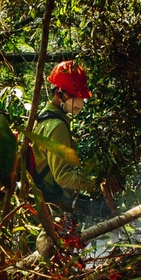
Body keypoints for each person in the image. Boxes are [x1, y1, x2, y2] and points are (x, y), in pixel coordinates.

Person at [33, 60, 104, 211]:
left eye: (81, 96)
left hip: (43, 200)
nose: (79, 101)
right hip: (52, 204)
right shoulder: (56, 126)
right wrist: (96, 183)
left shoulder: (43, 117)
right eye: (73, 95)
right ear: (58, 93)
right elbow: (63, 176)